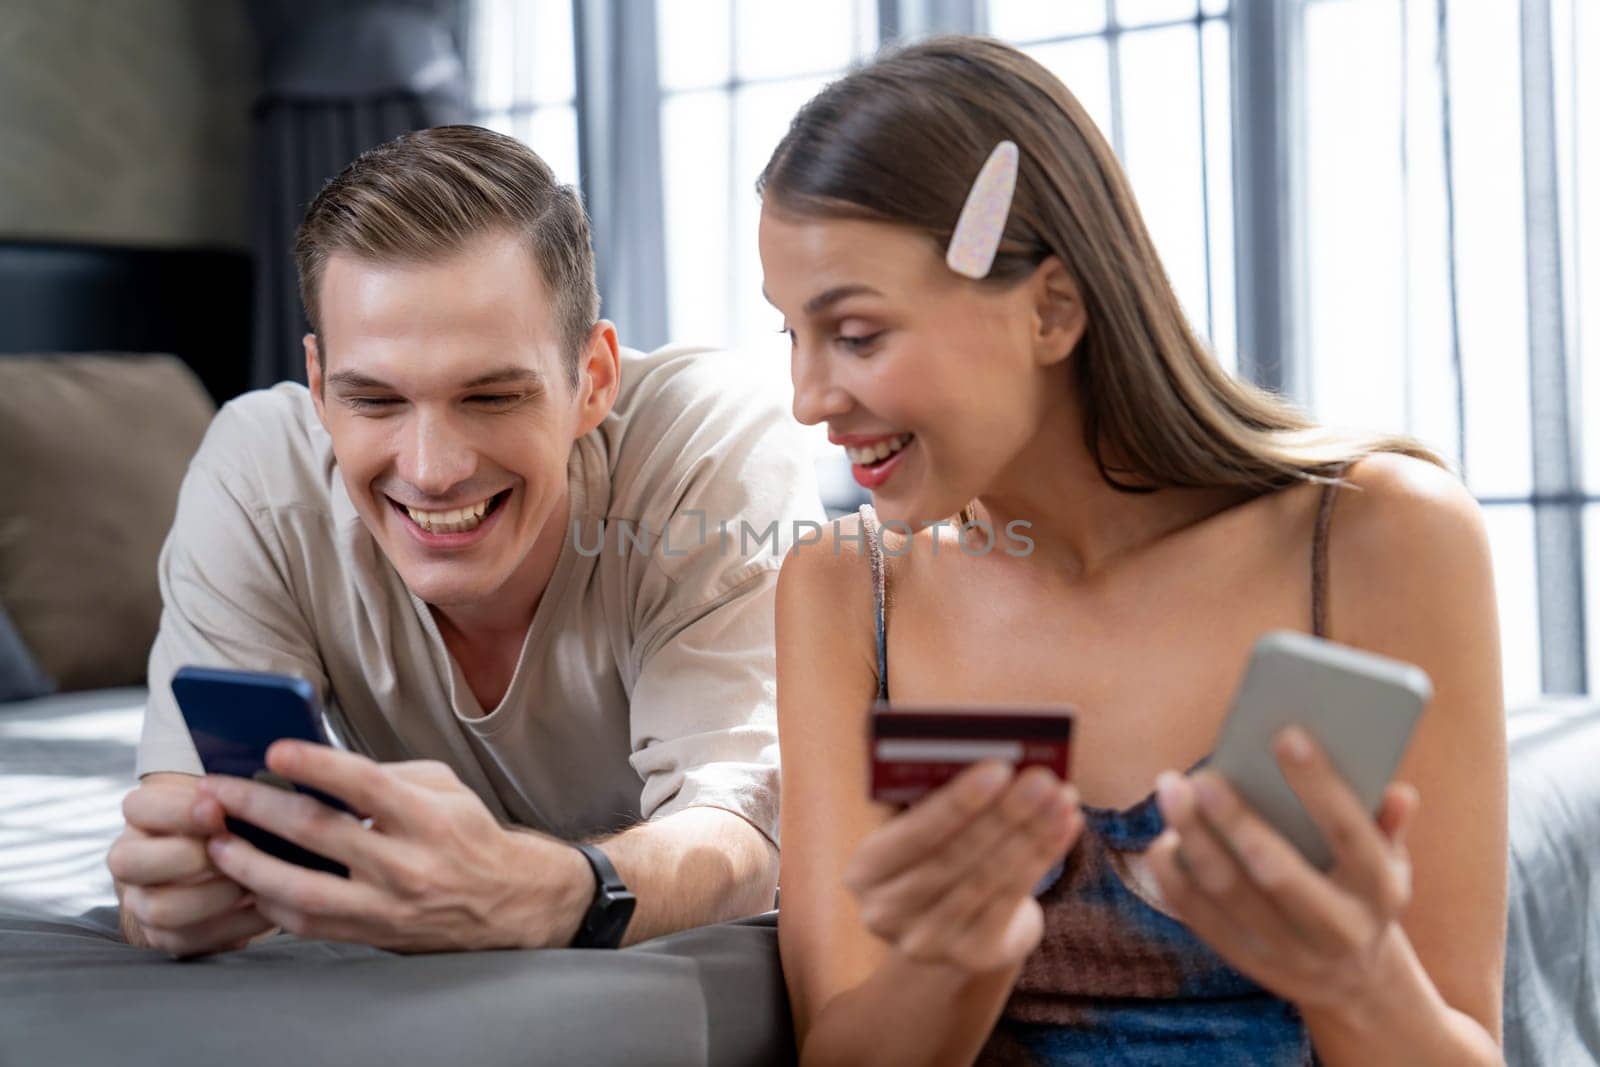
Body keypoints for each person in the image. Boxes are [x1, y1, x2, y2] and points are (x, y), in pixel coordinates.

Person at [762, 37, 1506, 1066]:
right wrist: (960, 959)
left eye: (854, 334)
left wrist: (1355, 978)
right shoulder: (847, 588)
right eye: (789, 337)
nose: (809, 398)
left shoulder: (1376, 537)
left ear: (1050, 309)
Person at [108, 125, 824, 958]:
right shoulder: (259, 474)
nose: (432, 469)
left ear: (592, 379)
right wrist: (175, 886)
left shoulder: (707, 440)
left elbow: (743, 843)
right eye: (374, 401)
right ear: (317, 385)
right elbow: (186, 819)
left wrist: (552, 892)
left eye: (490, 398)